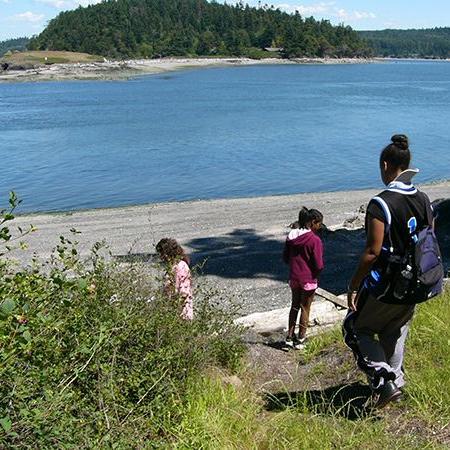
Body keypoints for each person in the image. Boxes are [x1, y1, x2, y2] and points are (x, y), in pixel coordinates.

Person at [343, 134, 434, 409]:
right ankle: (396, 383)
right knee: (395, 329)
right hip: (418, 282)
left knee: (355, 328)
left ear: (385, 165)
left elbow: (372, 251)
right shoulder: (424, 198)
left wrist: (353, 285)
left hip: (387, 284)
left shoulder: (380, 203)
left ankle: (383, 383)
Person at [283, 207, 324, 349]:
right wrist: (316, 274)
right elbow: (318, 264)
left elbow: (285, 257)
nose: (319, 227)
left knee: (294, 306)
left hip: (294, 276)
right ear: (313, 222)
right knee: (305, 308)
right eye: (319, 224)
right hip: (308, 278)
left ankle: (289, 337)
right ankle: (301, 338)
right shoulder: (314, 240)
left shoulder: (291, 236)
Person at [156, 238, 194, 320]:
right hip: (172, 310)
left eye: (161, 253)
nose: (161, 257)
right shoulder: (173, 266)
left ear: (167, 253)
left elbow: (184, 291)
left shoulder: (181, 267)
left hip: (181, 313)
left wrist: (175, 304)